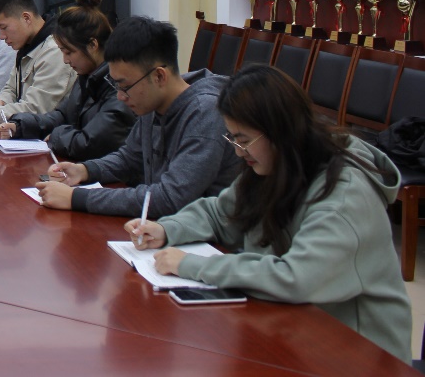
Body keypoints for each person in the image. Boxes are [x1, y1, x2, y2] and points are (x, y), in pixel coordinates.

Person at [129, 65, 411, 362]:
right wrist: (168, 229)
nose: (238, 151)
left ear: (280, 130)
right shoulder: (279, 163)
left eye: (244, 140)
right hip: (294, 329)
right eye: (233, 139)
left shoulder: (344, 197)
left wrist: (191, 265)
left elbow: (296, 278)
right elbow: (221, 213)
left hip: (359, 354)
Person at [36, 15, 239, 216]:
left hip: (206, 233)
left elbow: (170, 198)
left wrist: (76, 198)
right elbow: (130, 158)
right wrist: (85, 170)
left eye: (125, 86)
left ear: (159, 76)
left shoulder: (206, 113)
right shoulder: (153, 101)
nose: (120, 96)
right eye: (115, 85)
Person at [0, 0, 134, 160]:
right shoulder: (86, 77)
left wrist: (56, 137)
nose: (65, 60)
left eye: (69, 52)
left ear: (92, 45)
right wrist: (21, 125)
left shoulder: (119, 86)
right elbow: (62, 115)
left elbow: (91, 142)